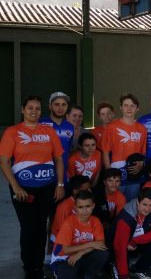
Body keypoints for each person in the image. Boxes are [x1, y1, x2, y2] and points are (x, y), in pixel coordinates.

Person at [0, 95, 65, 279]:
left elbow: (59, 158)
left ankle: (38, 265)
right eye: (30, 108)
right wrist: (15, 186)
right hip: (23, 188)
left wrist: (59, 184)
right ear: (23, 110)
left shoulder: (49, 132)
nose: (34, 111)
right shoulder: (12, 132)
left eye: (37, 108)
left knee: (41, 226)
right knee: (28, 227)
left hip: (47, 186)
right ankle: (28, 265)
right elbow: (4, 161)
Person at [50, 190, 109, 279]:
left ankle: (89, 275)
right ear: (75, 208)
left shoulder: (96, 221)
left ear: (93, 206)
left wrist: (81, 253)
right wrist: (90, 244)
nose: (84, 211)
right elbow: (66, 250)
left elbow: (100, 244)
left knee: (103, 252)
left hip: (81, 254)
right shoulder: (68, 223)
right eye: (80, 207)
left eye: (87, 206)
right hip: (63, 258)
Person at [101, 93, 147, 200]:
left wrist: (141, 164)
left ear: (137, 108)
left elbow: (142, 152)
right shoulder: (111, 127)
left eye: (132, 106)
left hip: (134, 174)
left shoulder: (142, 129)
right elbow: (105, 151)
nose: (129, 108)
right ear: (121, 107)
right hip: (116, 174)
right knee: (115, 205)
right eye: (126, 105)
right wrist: (109, 173)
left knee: (131, 204)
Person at [113, 188, 151, 279]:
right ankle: (116, 267)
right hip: (123, 245)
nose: (147, 209)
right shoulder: (126, 216)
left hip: (135, 243)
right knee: (121, 266)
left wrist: (135, 241)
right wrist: (123, 275)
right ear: (137, 202)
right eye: (144, 204)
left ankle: (138, 269)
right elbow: (119, 247)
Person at [39, 91, 74, 173]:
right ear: (50, 106)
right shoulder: (40, 123)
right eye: (56, 104)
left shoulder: (70, 126)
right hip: (43, 173)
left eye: (63, 104)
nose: (60, 108)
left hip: (63, 172)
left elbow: (69, 151)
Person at [51, 175, 91, 242]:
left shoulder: (87, 202)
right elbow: (61, 230)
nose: (89, 192)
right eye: (86, 190)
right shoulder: (64, 206)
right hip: (61, 241)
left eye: (89, 189)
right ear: (75, 191)